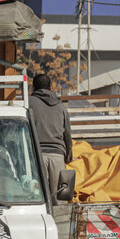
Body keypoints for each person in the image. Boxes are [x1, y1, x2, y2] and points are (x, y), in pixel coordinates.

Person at [30, 74, 73, 204]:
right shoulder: (60, 106)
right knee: (59, 201)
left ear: (33, 88)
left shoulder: (28, 104)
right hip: (57, 157)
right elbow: (67, 135)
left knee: (37, 200)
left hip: (36, 156)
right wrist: (68, 157)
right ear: (50, 88)